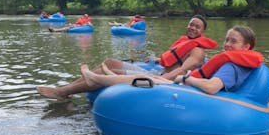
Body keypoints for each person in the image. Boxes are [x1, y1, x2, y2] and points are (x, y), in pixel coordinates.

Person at [37, 14, 217, 99]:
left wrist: (160, 77)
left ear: (203, 31)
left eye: (197, 27)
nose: (192, 28)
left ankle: (63, 92)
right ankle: (66, 89)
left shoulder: (198, 50)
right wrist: (156, 61)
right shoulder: (184, 41)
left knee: (111, 70)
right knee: (108, 62)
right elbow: (171, 59)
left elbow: (184, 69)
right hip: (157, 70)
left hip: (161, 77)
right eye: (191, 25)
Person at [79, 25, 263, 95]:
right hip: (185, 84)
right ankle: (99, 78)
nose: (227, 45)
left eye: (233, 41)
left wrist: (185, 78)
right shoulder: (235, 62)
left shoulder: (232, 66)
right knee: (154, 78)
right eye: (227, 40)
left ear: (246, 47)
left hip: (187, 88)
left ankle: (96, 78)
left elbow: (211, 87)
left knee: (152, 80)